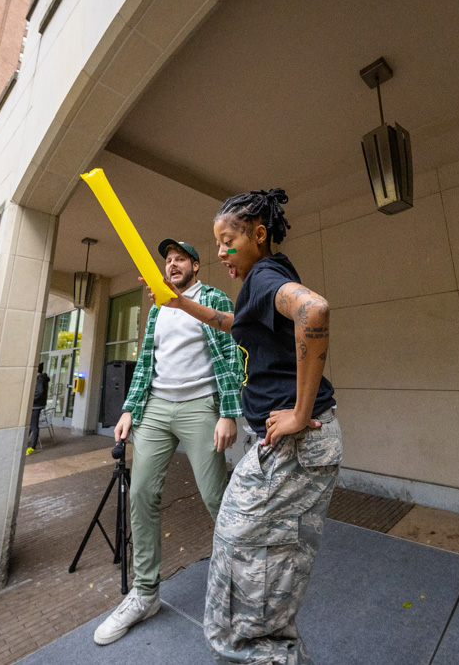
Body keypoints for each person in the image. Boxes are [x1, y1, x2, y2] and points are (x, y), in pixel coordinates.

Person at [156, 189, 340, 664]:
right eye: (215, 244)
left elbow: (313, 310)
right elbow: (232, 321)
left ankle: (263, 652)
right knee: (242, 552)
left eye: (227, 240)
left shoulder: (263, 276)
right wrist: (182, 304)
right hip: (282, 445)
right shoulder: (266, 279)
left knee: (253, 567)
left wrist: (299, 413)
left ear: (258, 234)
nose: (219, 252)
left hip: (296, 444)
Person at [93, 239, 245, 646]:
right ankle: (145, 594)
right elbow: (146, 363)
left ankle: (245, 586)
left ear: (196, 265)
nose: (173, 264)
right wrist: (129, 410)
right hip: (157, 407)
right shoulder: (158, 305)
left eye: (180, 259)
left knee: (218, 498)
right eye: (168, 261)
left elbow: (230, 355)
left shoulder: (212, 296)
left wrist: (228, 412)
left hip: (200, 406)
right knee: (141, 492)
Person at [28, 362, 49, 452]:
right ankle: (26, 441)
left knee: (33, 425)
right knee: (30, 424)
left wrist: (33, 399)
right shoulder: (43, 378)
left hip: (35, 405)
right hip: (38, 405)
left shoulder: (39, 379)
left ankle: (32, 447)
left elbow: (40, 391)